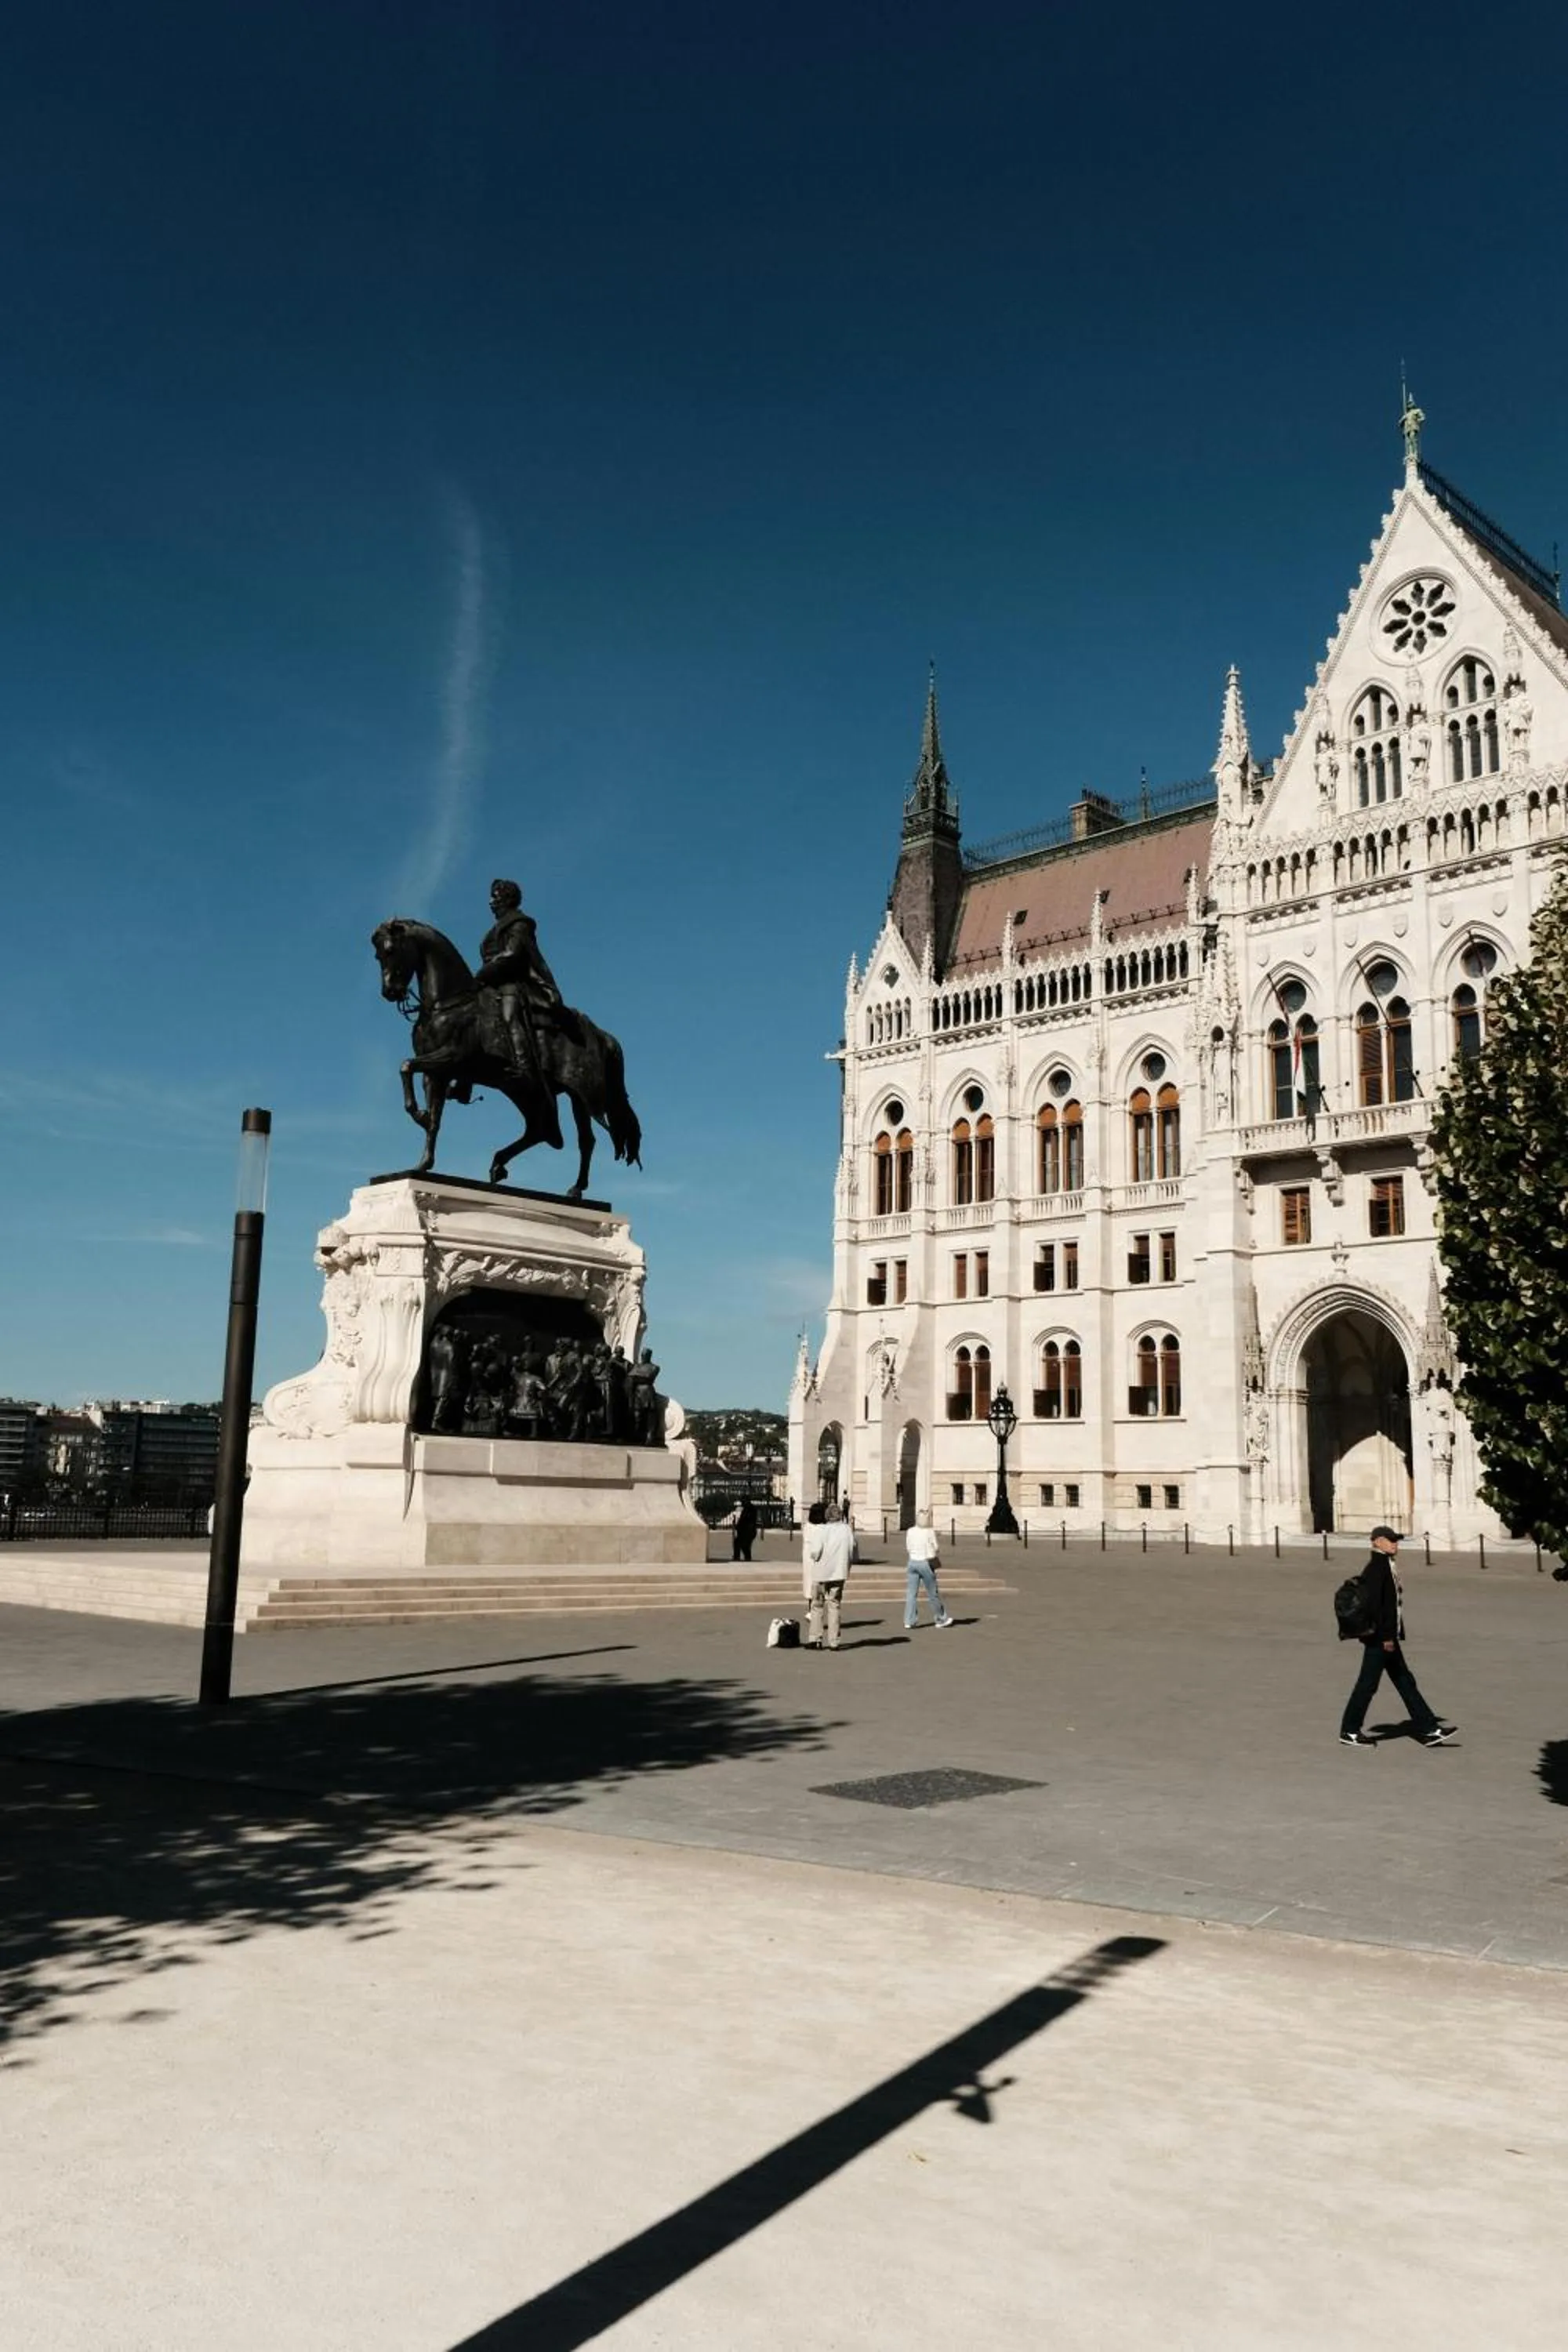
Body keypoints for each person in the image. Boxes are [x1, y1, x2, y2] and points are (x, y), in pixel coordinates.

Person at [1340, 1526, 1457, 1748]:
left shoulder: (1385, 1564)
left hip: (1387, 1636)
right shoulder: (1377, 1568)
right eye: (1390, 1540)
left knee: (1405, 1682)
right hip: (1381, 1639)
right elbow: (1377, 1607)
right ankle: (1350, 1730)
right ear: (1377, 1542)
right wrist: (1386, 1637)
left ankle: (1430, 1729)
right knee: (1368, 1685)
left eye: (1396, 1540)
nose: (1395, 1544)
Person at [476, 878, 564, 1150]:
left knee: (509, 1014)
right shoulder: (494, 930)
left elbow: (513, 955)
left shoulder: (520, 924)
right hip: (493, 984)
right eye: (492, 897)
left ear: (507, 900)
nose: (491, 902)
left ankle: (524, 1066)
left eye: (495, 897)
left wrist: (485, 971)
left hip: (516, 985)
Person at [802, 1501, 855, 1650]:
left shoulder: (821, 1530)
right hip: (839, 1572)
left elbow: (815, 1552)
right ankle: (834, 1641)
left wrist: (814, 1557)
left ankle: (815, 1639)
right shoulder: (846, 1530)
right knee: (835, 1605)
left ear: (827, 1516)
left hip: (821, 1572)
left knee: (817, 1605)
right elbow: (852, 1550)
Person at [904, 1509, 953, 1631]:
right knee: (932, 1593)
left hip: (912, 1562)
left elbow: (908, 1547)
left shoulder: (910, 1531)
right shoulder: (929, 1531)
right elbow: (936, 1547)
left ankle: (909, 1621)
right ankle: (941, 1618)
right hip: (925, 1562)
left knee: (911, 1594)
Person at [732, 1497, 759, 1563]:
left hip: (748, 1531)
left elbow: (746, 1520)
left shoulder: (750, 1509)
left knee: (743, 1545)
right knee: (742, 1545)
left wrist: (739, 1526)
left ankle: (741, 1557)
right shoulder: (747, 1509)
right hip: (745, 1531)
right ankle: (742, 1557)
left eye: (743, 1502)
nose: (742, 1504)